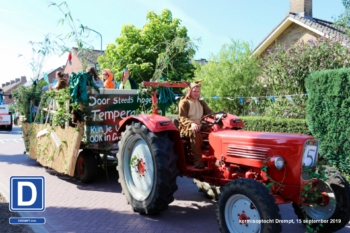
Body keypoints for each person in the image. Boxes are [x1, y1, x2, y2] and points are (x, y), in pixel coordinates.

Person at [178, 80, 214, 169]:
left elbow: (209, 112)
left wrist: (219, 116)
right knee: (195, 132)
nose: (196, 93)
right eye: (194, 91)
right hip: (187, 126)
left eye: (198, 91)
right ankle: (198, 162)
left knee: (215, 129)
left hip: (200, 124)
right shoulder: (184, 102)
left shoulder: (201, 102)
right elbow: (182, 118)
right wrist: (191, 124)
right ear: (189, 91)